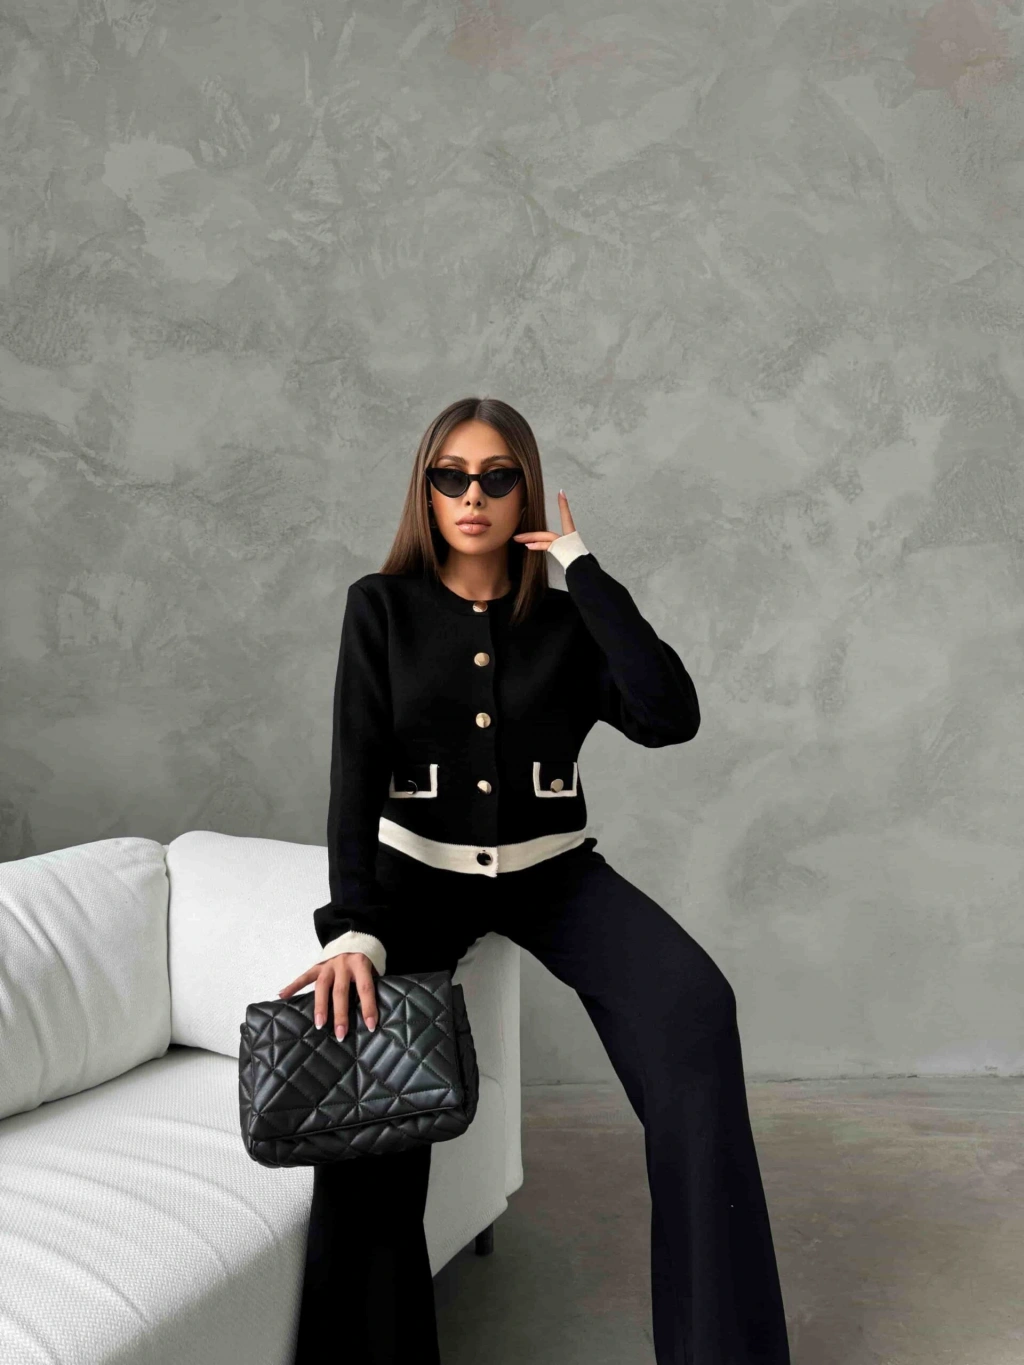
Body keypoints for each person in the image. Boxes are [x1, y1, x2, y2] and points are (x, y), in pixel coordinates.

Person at [279, 396, 791, 1364]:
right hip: (417, 880)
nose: (472, 495)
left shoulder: (566, 618)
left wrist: (583, 570)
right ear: (427, 491)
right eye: (451, 477)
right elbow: (354, 774)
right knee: (365, 1081)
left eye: (496, 477)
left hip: (555, 877)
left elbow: (669, 715)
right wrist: (353, 927)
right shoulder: (380, 607)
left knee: (695, 1009)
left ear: (525, 490)